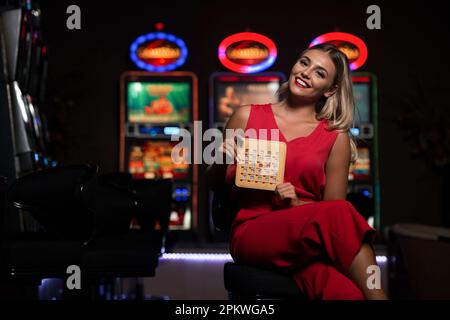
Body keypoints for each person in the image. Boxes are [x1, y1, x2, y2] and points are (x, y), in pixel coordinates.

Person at [206, 43, 388, 300]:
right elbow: (215, 186)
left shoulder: (336, 138)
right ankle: (379, 296)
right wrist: (222, 159)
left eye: (319, 73)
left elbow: (333, 212)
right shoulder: (245, 116)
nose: (306, 72)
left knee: (347, 293)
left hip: (306, 241)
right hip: (253, 232)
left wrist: (296, 203)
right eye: (304, 63)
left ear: (331, 89)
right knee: (343, 215)